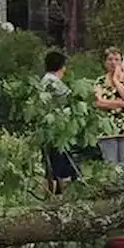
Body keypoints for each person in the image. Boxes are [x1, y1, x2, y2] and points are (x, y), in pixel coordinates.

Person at [94, 47, 124, 171]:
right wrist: (121, 104)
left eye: (117, 59)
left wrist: (115, 80)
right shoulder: (100, 81)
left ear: (122, 62)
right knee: (111, 167)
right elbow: (99, 102)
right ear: (105, 62)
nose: (113, 62)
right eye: (110, 59)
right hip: (107, 131)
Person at [41, 51, 80, 192]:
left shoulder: (44, 80)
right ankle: (60, 188)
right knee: (60, 159)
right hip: (59, 128)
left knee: (53, 160)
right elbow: (69, 101)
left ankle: (56, 186)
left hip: (49, 128)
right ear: (62, 67)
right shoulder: (54, 83)